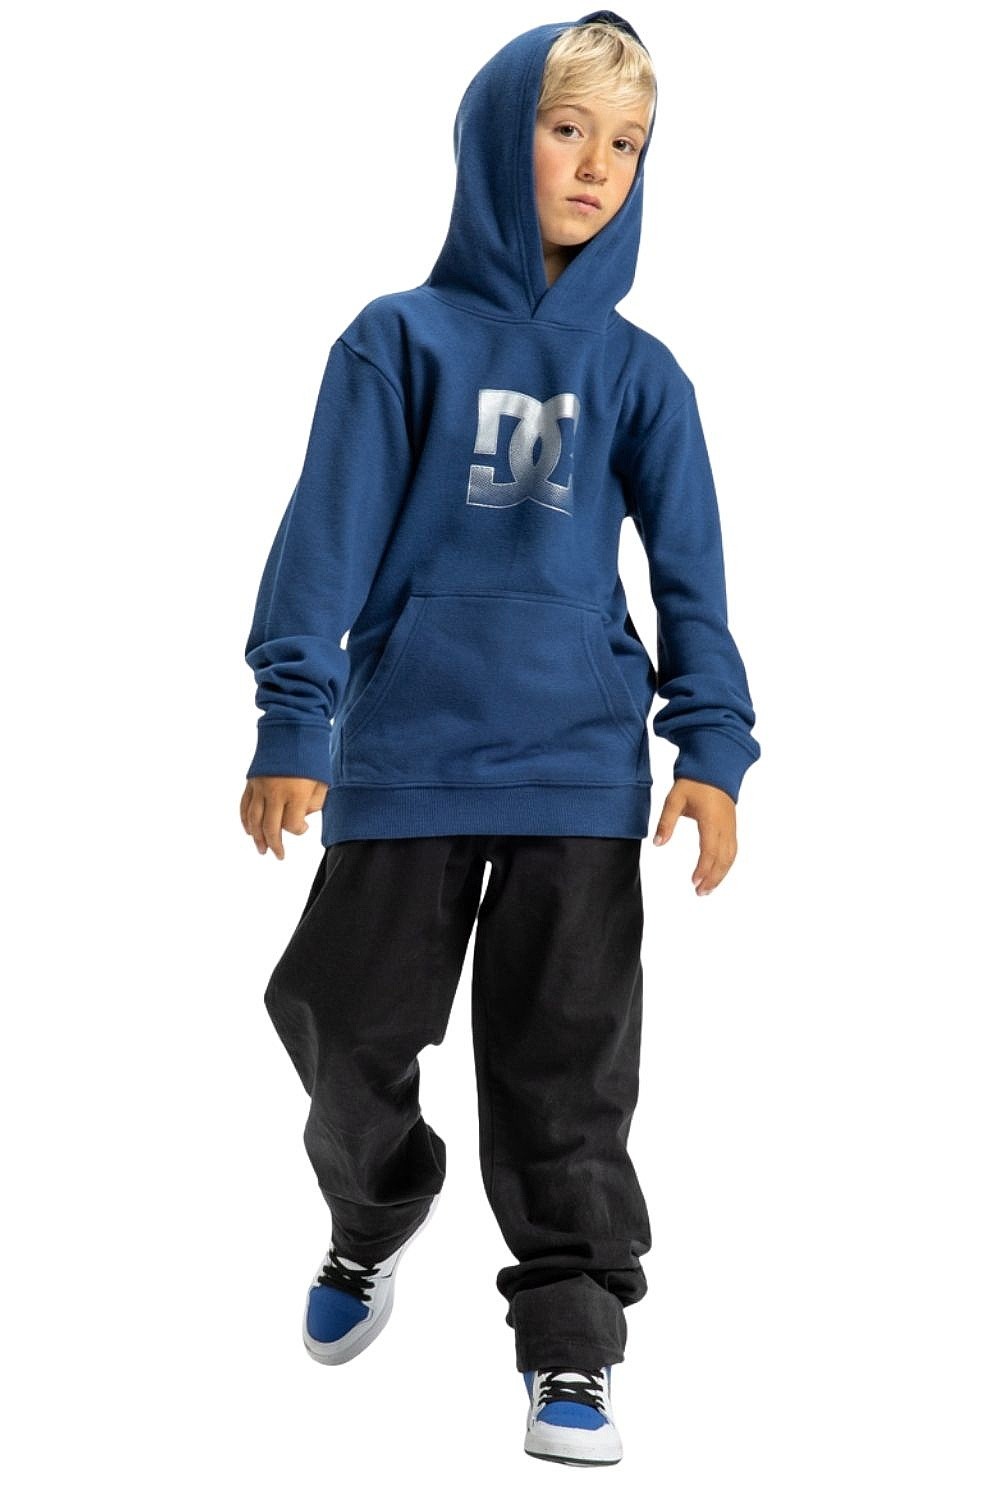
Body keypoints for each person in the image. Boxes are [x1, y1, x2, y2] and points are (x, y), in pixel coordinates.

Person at [240, 10, 760, 1468]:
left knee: (567, 1074)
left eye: (627, 144)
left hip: (579, 767)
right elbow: (325, 538)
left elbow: (694, 576)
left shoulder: (644, 374)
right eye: (566, 129)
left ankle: (572, 1342)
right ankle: (376, 1206)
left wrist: (712, 750)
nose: (597, 166)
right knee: (336, 1020)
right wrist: (294, 716)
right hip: (406, 752)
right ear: (493, 140)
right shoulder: (395, 339)